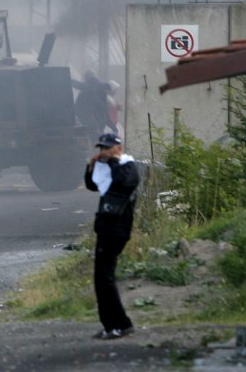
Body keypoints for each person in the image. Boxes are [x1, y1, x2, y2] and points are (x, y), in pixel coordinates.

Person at [84, 132, 140, 340]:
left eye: (107, 148)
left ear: (118, 148)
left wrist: (113, 161)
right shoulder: (105, 167)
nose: (103, 152)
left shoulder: (128, 166)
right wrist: (92, 165)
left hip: (118, 228)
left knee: (105, 278)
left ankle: (121, 324)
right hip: (105, 226)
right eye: (101, 148)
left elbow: (122, 183)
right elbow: (92, 185)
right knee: (100, 278)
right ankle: (110, 325)